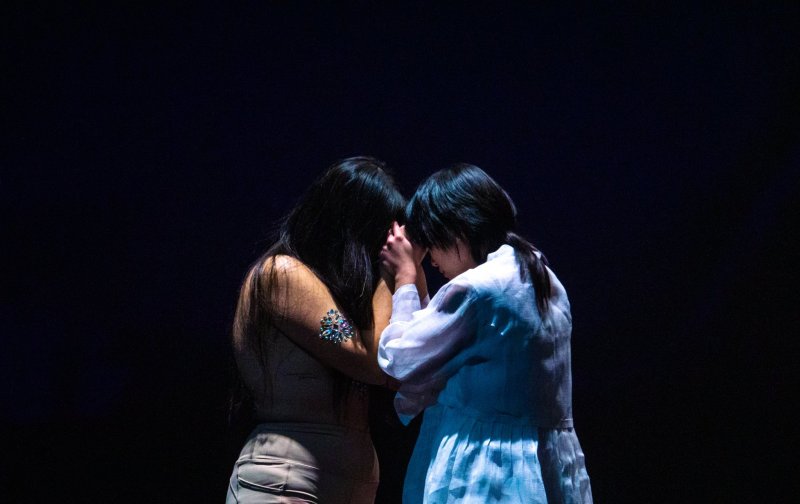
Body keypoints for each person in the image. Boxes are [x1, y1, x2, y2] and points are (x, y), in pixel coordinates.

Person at [378, 164, 593, 503]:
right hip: (541, 457)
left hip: (488, 465)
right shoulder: (539, 274)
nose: (431, 258)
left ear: (457, 230)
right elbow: (444, 341)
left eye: (433, 240)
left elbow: (401, 358)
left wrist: (405, 278)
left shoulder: (478, 289)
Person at [226, 157, 405, 504]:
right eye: (376, 237)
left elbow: (399, 369)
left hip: (346, 483)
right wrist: (391, 273)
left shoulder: (345, 300)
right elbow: (367, 359)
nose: (380, 250)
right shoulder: (282, 276)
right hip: (287, 481)